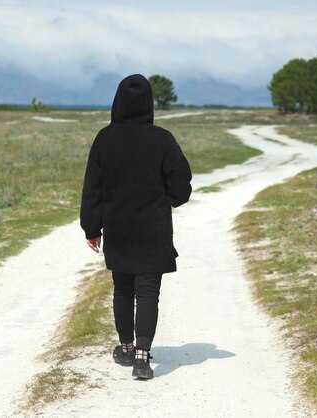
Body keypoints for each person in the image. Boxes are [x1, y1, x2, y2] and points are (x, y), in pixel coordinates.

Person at [79, 73, 192, 380]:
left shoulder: (105, 138)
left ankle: (126, 348)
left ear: (118, 102)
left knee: (123, 290)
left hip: (119, 229)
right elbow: (181, 186)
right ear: (148, 104)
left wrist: (92, 228)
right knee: (148, 292)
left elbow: (93, 188)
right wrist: (166, 200)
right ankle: (143, 357)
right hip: (153, 227)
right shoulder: (162, 139)